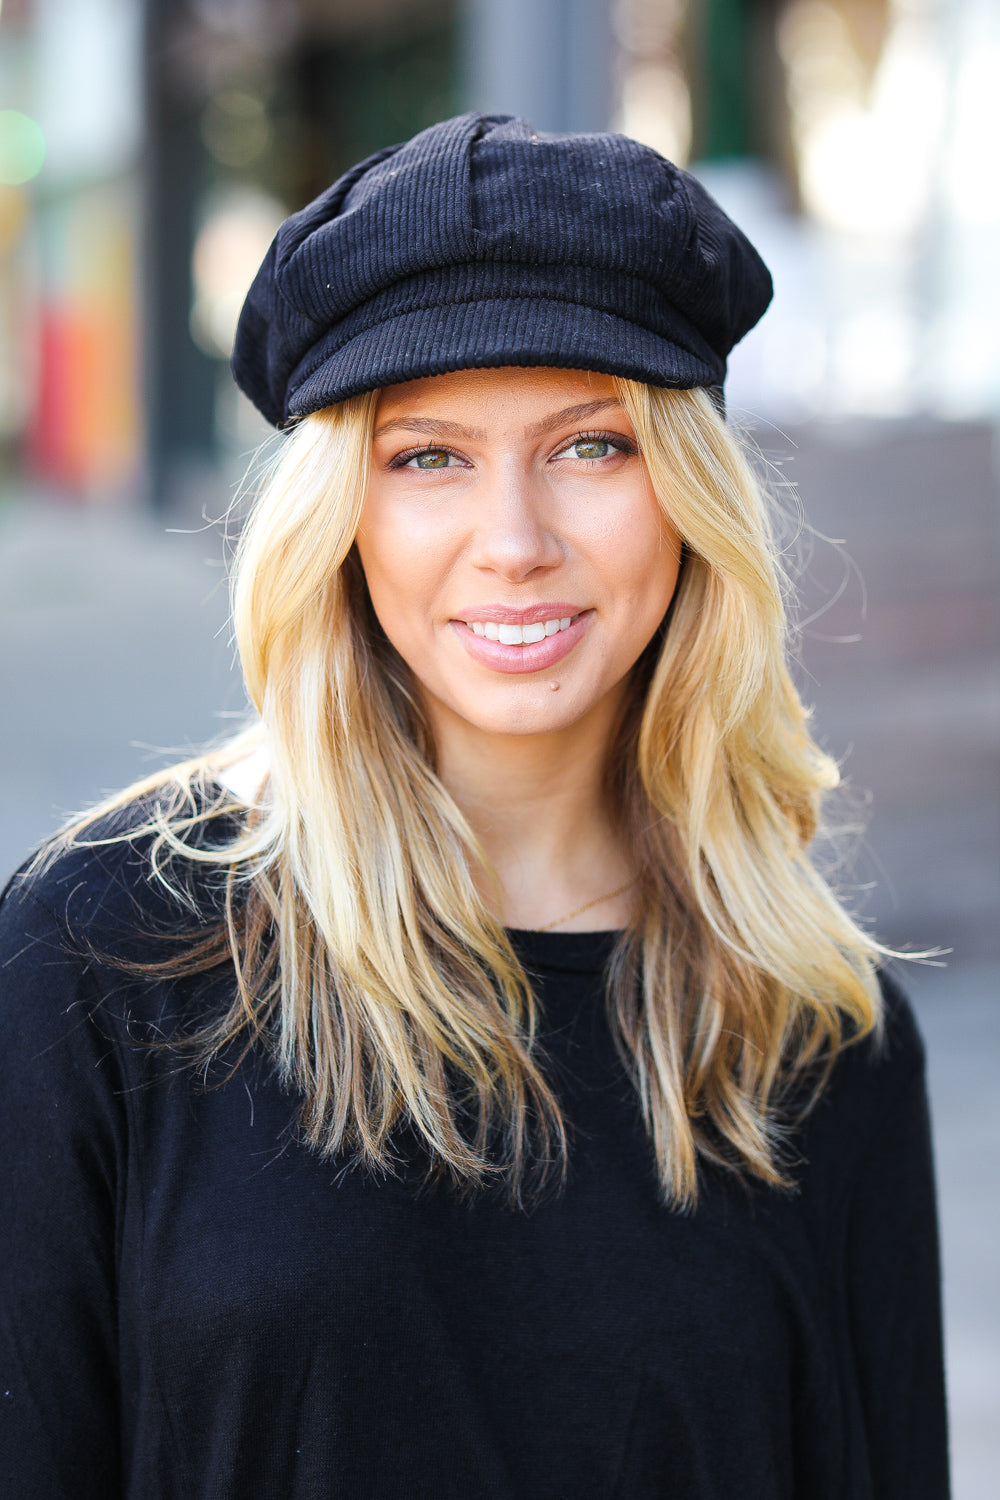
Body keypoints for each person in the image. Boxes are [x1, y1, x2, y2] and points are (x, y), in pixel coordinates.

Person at [0, 113, 949, 1499]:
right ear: (343, 516)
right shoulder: (98, 958)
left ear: (690, 497)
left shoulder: (816, 1033)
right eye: (427, 455)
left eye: (592, 447)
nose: (513, 542)